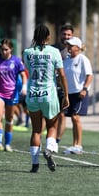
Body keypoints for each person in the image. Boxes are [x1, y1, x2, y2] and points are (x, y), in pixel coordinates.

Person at [23, 24, 69, 173]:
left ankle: (35, 164)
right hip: (48, 94)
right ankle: (49, 149)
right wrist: (66, 95)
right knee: (51, 126)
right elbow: (61, 75)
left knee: (36, 130)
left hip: (32, 94)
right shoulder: (54, 52)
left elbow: (29, 68)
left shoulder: (27, 52)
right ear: (48, 37)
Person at [62, 37, 93, 154]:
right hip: (69, 93)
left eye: (71, 45)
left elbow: (89, 75)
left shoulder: (83, 59)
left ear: (78, 48)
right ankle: (74, 144)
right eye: (68, 45)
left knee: (76, 117)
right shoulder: (66, 60)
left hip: (79, 92)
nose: (69, 47)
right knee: (72, 119)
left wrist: (85, 89)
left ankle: (79, 145)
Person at [52, 24, 73, 146]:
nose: (66, 37)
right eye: (64, 34)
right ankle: (51, 136)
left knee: (62, 114)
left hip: (65, 87)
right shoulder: (52, 49)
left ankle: (57, 140)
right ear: (60, 35)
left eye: (69, 34)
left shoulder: (73, 50)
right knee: (51, 113)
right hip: (51, 86)